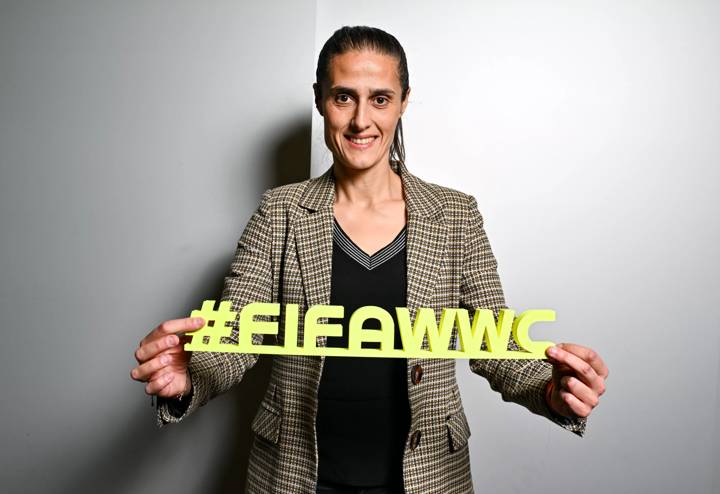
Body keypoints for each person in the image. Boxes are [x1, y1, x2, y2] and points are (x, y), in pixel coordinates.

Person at [131, 26, 608, 494]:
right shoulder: (279, 211)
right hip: (295, 477)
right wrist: (190, 376)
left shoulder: (455, 215)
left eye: (380, 98)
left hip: (427, 480)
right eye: (344, 97)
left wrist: (553, 390)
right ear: (320, 99)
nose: (362, 120)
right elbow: (237, 335)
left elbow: (494, 344)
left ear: (403, 102)